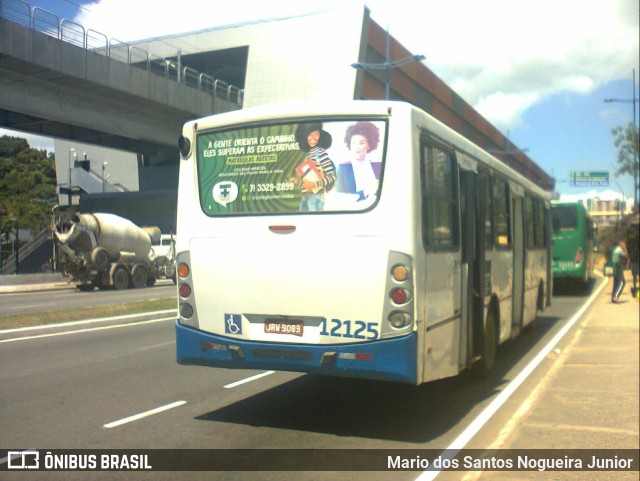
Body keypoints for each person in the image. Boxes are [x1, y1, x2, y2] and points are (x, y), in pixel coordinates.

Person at [291, 123, 336, 211]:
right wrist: (297, 182)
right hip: (306, 196)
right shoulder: (308, 156)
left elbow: (332, 177)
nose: (313, 138)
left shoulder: (320, 152)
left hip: (316, 196)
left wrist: (314, 184)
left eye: (316, 134)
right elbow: (308, 184)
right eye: (310, 135)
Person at [337, 121, 382, 201]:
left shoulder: (378, 166)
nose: (357, 147)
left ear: (369, 145)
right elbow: (341, 198)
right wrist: (365, 192)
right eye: (353, 143)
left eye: (361, 143)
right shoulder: (342, 168)